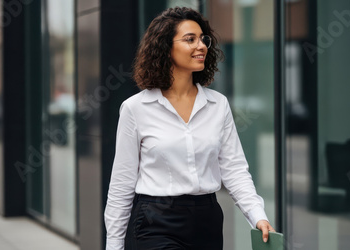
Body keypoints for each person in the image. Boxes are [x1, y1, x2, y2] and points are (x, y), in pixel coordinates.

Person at [104, 6, 274, 250]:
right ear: (165, 47)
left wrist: (257, 216)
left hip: (207, 221)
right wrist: (114, 244)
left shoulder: (218, 105)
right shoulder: (136, 108)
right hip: (155, 221)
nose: (201, 45)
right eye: (190, 39)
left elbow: (234, 169)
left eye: (203, 39)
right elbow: (122, 183)